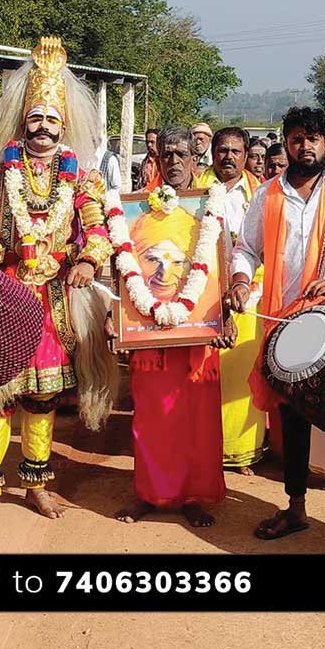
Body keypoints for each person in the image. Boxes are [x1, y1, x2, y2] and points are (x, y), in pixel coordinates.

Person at [0, 37, 114, 525]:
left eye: (52, 119)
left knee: (42, 396)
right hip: (7, 293)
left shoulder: (82, 178)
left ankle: (35, 484)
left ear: (64, 125)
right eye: (36, 118)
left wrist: (89, 261)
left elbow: (96, 229)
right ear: (22, 121)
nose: (44, 128)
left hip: (53, 299)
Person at [227, 106, 325, 554]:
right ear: (287, 142)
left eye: (313, 138)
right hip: (283, 322)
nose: (305, 146)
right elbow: (246, 248)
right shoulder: (268, 194)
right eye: (297, 138)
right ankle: (296, 508)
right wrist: (240, 280)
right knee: (291, 418)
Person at [115, 126, 226, 526]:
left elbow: (225, 263)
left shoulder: (210, 209)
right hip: (151, 337)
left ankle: (194, 495)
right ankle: (151, 493)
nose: (175, 162)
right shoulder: (137, 214)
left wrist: (225, 315)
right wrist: (122, 319)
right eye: (167, 156)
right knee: (152, 417)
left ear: (196, 160)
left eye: (182, 155)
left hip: (199, 338)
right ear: (157, 161)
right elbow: (125, 267)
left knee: (196, 419)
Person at [196, 127, 267, 472]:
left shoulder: (262, 192)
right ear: (212, 152)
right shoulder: (194, 190)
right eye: (222, 150)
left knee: (241, 375)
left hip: (247, 295)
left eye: (236, 151)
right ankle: (203, 448)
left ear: (245, 154)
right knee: (203, 377)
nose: (228, 156)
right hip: (201, 294)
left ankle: (241, 453)